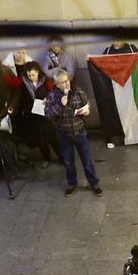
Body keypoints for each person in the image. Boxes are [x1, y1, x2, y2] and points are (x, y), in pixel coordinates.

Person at [44, 67, 101, 196]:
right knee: (68, 162)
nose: (66, 84)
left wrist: (86, 111)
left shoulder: (77, 91)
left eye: (67, 80)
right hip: (63, 134)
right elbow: (48, 115)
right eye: (62, 82)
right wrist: (60, 105)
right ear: (56, 84)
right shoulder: (51, 97)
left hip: (80, 132)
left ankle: (94, 183)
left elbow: (87, 104)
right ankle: (72, 184)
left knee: (87, 160)